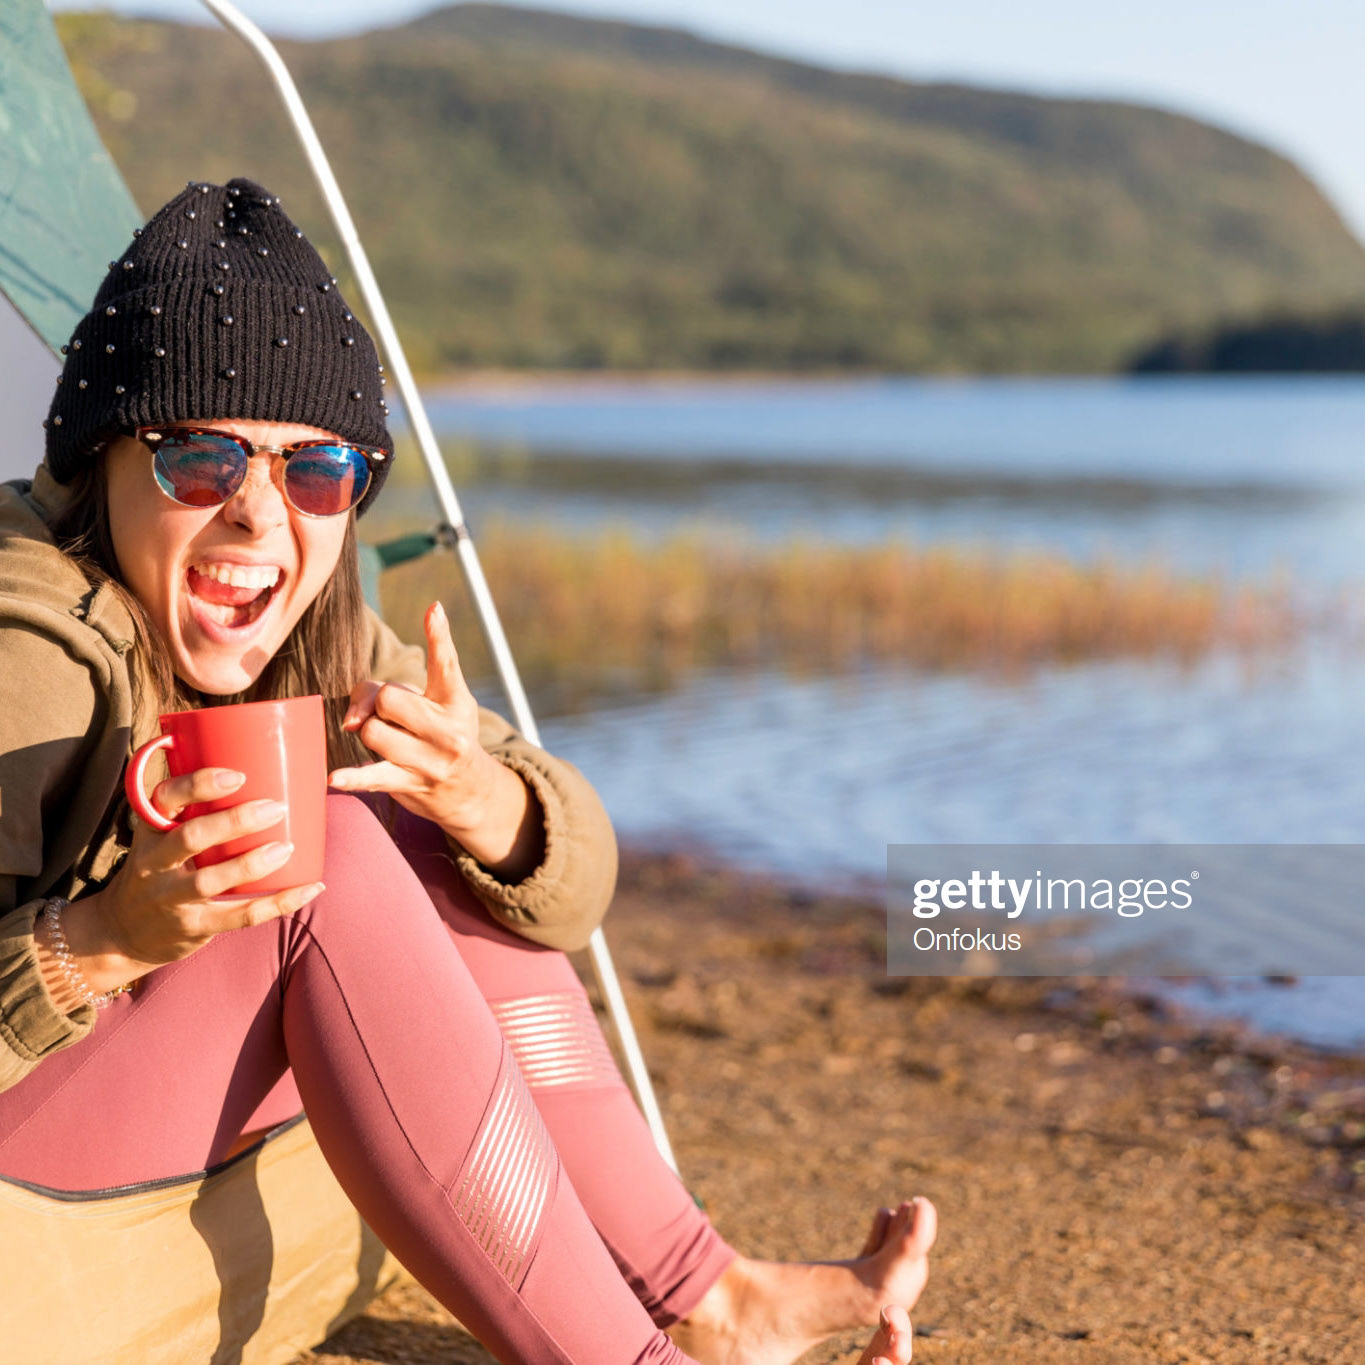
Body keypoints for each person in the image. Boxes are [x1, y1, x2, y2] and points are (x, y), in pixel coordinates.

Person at [0, 178, 935, 1364]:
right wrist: (106, 941)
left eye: (317, 472)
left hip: (114, 1131)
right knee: (325, 853)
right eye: (199, 460)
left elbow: (580, 886)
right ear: (100, 462)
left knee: (425, 830)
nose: (258, 516)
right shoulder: (24, 658)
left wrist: (487, 806)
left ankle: (711, 1300)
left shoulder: (319, 638)